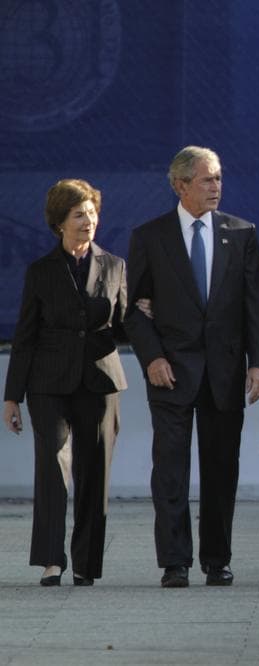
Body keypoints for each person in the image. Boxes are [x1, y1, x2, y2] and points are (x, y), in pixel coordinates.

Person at [124, 146, 259, 588]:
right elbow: (133, 310)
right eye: (206, 179)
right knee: (170, 470)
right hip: (170, 372)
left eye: (219, 178)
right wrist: (152, 357)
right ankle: (175, 562)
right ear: (180, 185)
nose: (216, 187)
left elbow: (255, 307)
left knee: (221, 469)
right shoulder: (151, 236)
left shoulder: (241, 233)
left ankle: (216, 559)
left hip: (225, 373)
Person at [3, 179, 128, 587]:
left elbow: (125, 325)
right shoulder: (40, 271)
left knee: (94, 472)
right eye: (79, 214)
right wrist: (11, 397)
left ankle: (87, 564)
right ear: (60, 222)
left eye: (92, 212)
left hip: (98, 380)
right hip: (48, 382)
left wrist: (145, 313)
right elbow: (25, 337)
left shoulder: (115, 266)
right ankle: (51, 561)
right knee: (53, 466)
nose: (88, 220)